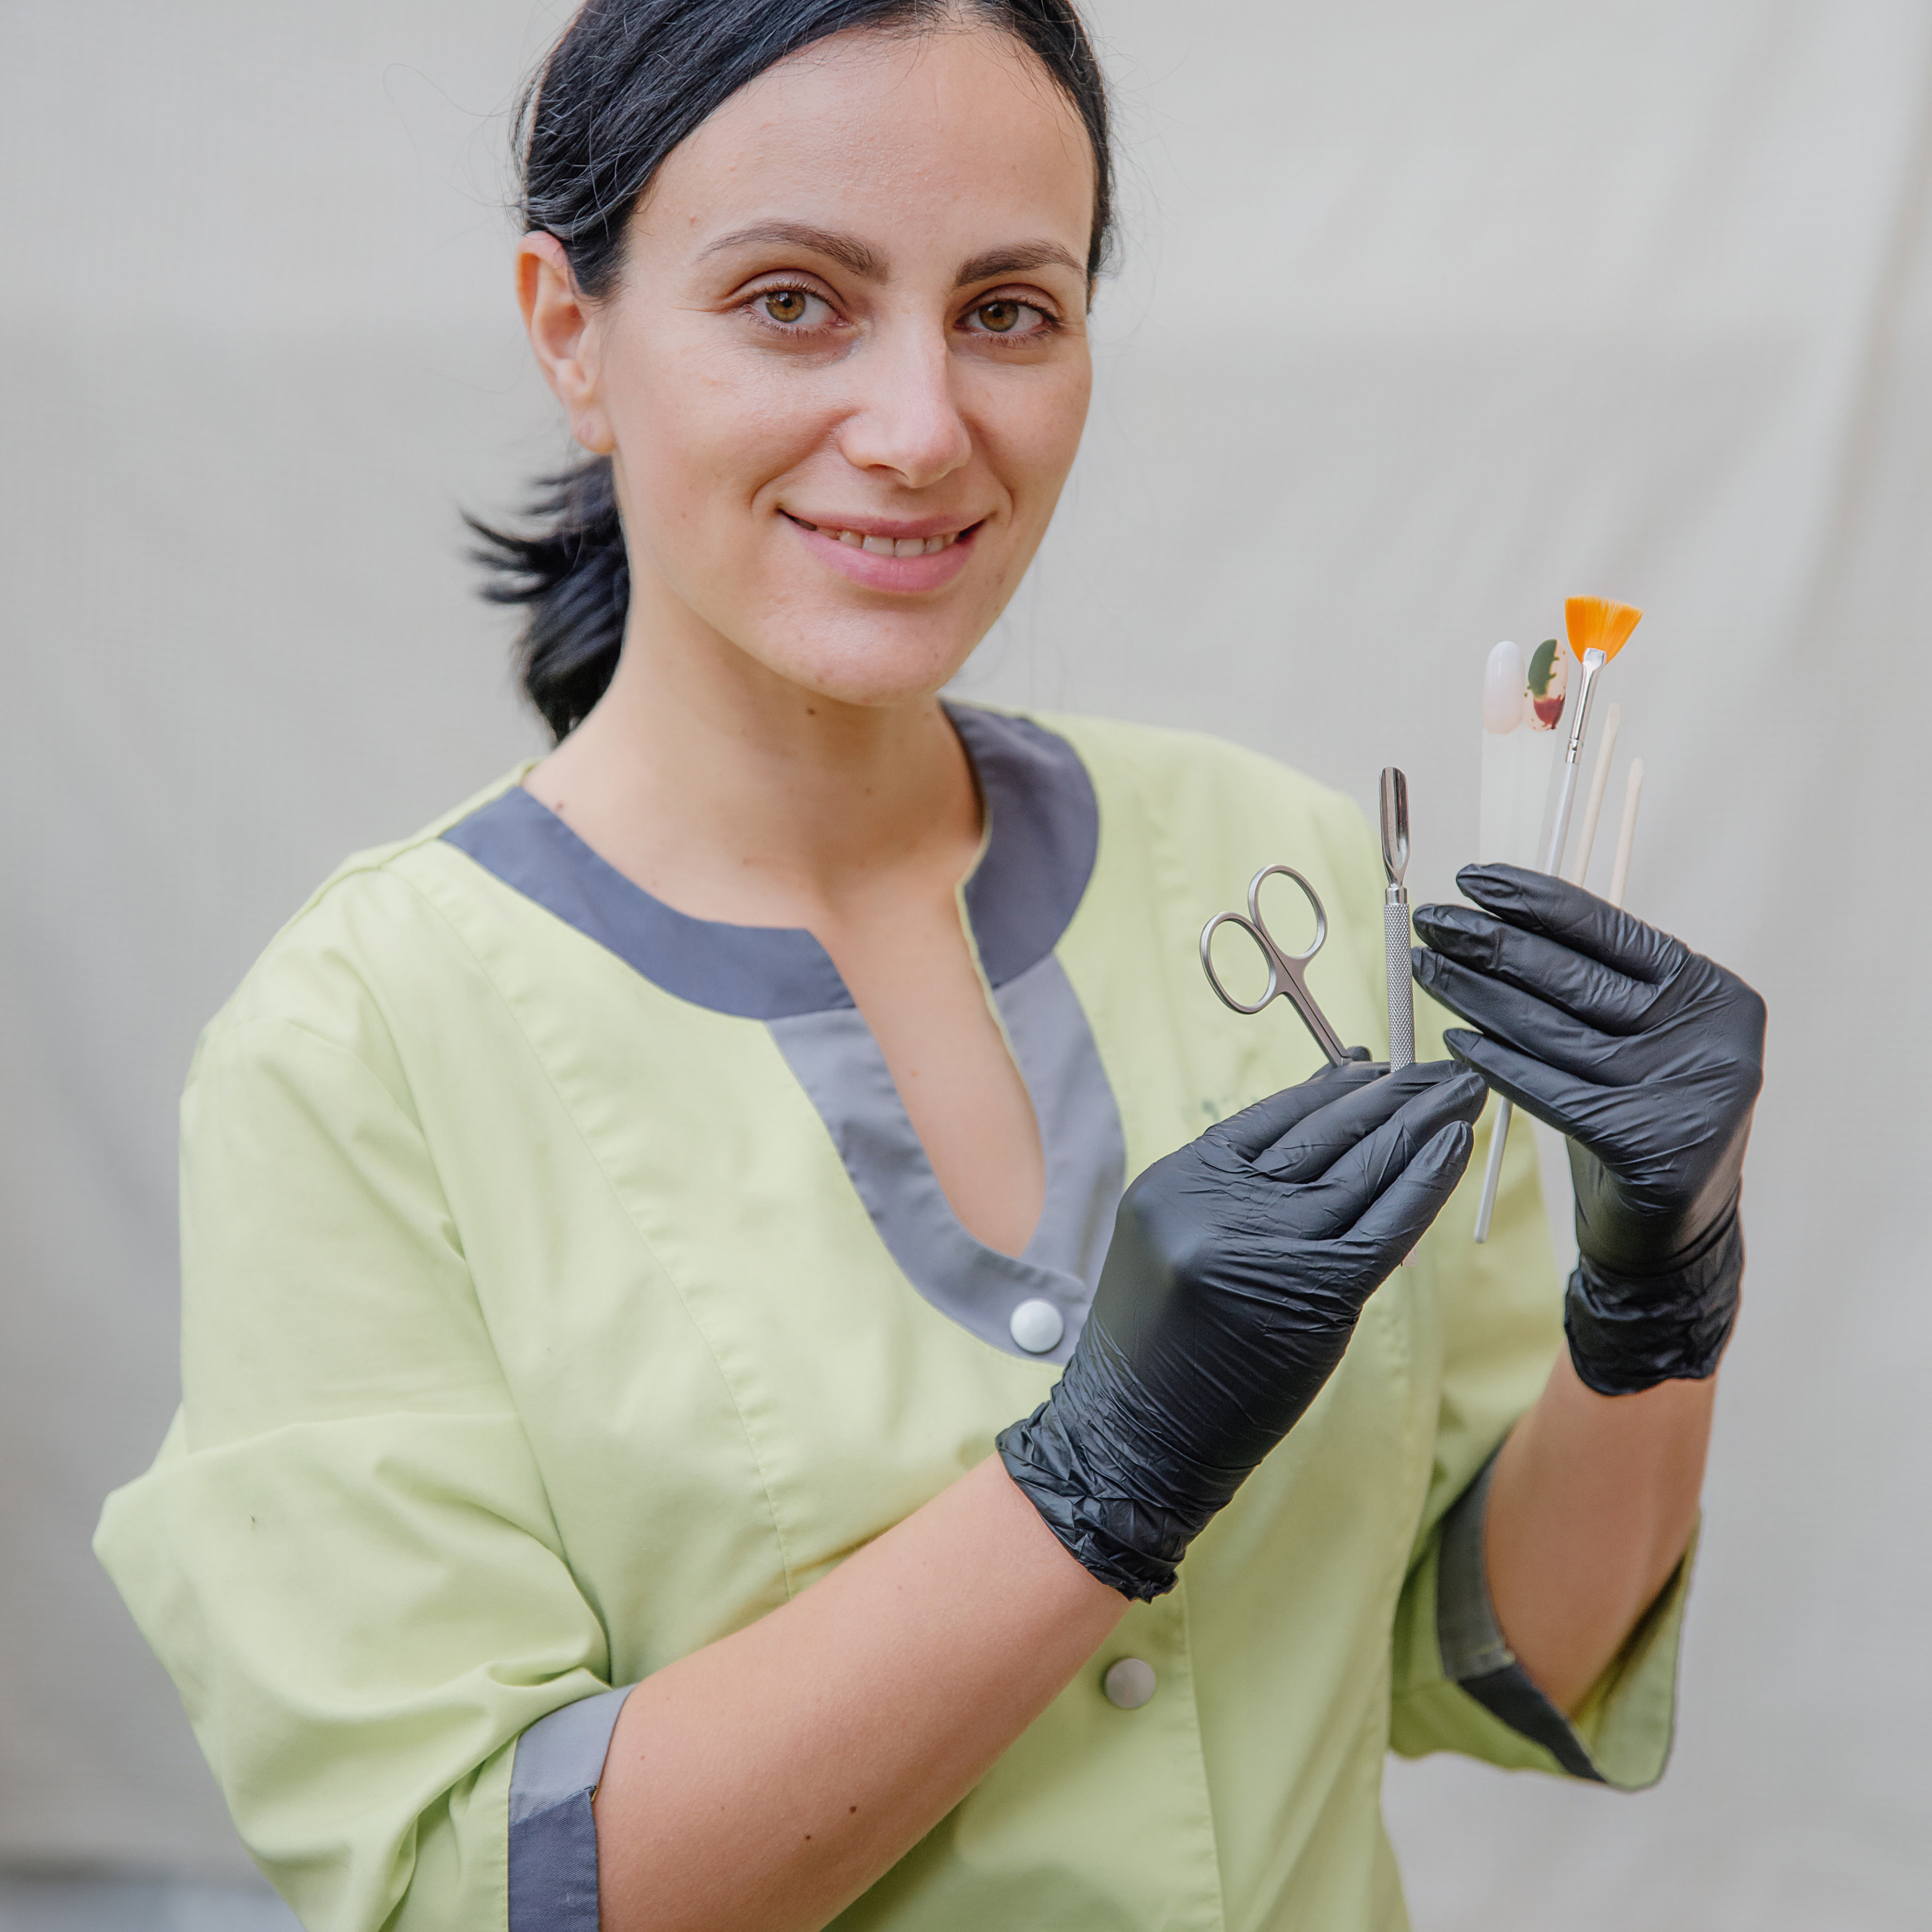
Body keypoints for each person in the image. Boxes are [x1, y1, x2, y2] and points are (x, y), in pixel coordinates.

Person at [96, 3, 1766, 1928]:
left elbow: (1503, 1648)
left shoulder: (1286, 867)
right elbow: (468, 1887)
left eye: (1006, 310)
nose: (917, 428)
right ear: (573, 330)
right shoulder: (356, 1049)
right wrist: (1092, 1483)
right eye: (794, 301)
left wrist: (1659, 1286)